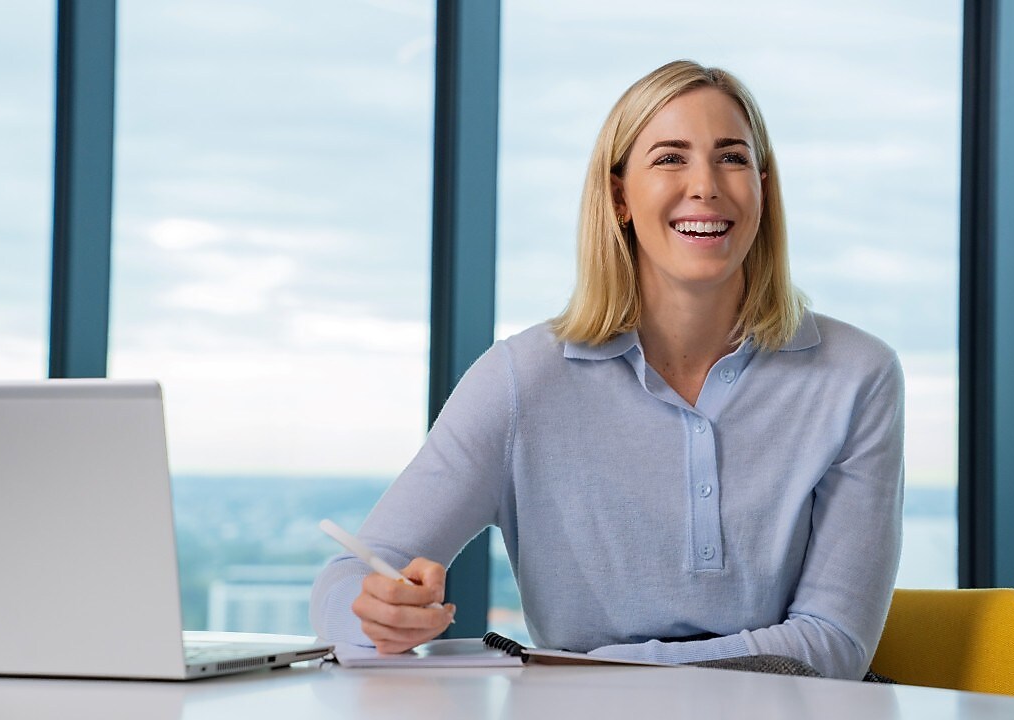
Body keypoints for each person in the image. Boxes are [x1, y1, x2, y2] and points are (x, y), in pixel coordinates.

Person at [310, 59, 904, 680]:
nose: (705, 185)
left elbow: (834, 643)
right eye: (670, 158)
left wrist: (586, 667)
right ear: (620, 196)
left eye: (731, 157)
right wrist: (374, 615)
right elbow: (347, 577)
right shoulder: (521, 380)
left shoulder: (858, 375)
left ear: (761, 186)